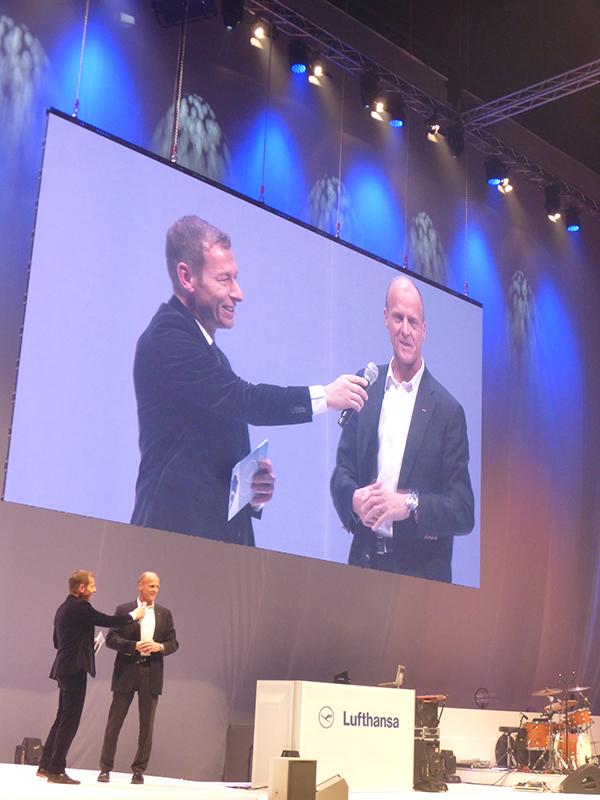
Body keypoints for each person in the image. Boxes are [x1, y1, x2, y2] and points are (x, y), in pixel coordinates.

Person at [130, 215, 367, 544]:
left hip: (203, 547)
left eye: (235, 278)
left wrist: (249, 493)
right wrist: (325, 396)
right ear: (186, 277)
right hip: (171, 545)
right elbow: (245, 400)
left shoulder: (208, 351)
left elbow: (201, 457)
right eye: (224, 279)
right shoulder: (168, 339)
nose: (238, 293)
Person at [330, 276, 474, 583]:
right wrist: (354, 499)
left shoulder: (447, 411)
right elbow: (342, 472)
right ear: (386, 318)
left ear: (424, 330)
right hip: (364, 565)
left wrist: (409, 504)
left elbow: (462, 510)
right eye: (398, 318)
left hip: (419, 576)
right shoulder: (366, 385)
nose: (405, 330)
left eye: (413, 322)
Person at [37, 570, 146, 785]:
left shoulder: (63, 608)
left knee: (62, 717)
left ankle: (45, 765)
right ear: (81, 588)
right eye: (92, 586)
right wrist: (133, 615)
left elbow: (58, 641)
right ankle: (57, 770)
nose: (95, 590)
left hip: (62, 668)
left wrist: (87, 646)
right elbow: (105, 619)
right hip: (74, 669)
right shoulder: (81, 607)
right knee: (70, 720)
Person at [97, 571, 178, 785]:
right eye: (151, 585)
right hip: (126, 671)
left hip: (151, 673)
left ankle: (139, 770)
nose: (155, 590)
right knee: (115, 722)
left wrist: (159, 647)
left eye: (157, 586)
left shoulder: (164, 613)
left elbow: (173, 643)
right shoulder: (124, 610)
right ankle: (105, 769)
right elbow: (111, 639)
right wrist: (133, 646)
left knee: (146, 726)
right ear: (140, 585)